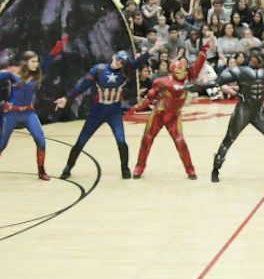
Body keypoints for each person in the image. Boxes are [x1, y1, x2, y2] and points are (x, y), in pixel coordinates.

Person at [55, 45, 162, 179]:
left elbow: (138, 62)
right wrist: (67, 98)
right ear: (113, 57)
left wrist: (153, 49)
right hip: (97, 111)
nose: (118, 63)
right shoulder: (98, 70)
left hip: (114, 112)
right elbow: (82, 85)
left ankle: (125, 168)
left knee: (121, 141)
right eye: (117, 60)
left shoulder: (125, 70)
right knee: (81, 140)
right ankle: (68, 167)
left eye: (121, 62)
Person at [204, 46, 264, 183]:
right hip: (243, 111)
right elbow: (218, 81)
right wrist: (197, 86)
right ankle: (215, 169)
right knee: (229, 139)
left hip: (257, 112)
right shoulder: (240, 71)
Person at [129, 41, 211, 179]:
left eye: (185, 70)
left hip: (174, 116)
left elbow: (197, 67)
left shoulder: (186, 78)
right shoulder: (162, 82)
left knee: (181, 143)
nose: (185, 72)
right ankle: (139, 166)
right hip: (159, 114)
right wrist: (136, 108)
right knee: (146, 140)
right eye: (182, 70)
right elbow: (149, 97)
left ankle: (190, 169)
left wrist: (203, 51)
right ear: (175, 71)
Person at [0, 51, 49, 180]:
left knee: (41, 141)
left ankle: (41, 170)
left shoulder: (36, 75)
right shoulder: (14, 74)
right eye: (33, 61)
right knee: (2, 144)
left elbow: (51, 57)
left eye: (37, 61)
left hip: (28, 113)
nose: (36, 64)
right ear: (25, 62)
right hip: (11, 113)